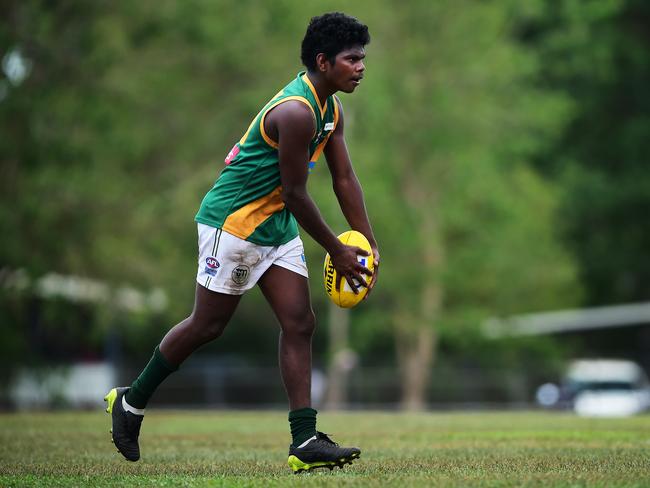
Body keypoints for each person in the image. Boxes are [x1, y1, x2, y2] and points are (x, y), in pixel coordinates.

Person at [104, 11, 379, 473]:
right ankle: (130, 402)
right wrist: (336, 248)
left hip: (277, 222)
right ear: (323, 61)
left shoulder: (331, 110)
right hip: (232, 224)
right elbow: (295, 192)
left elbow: (345, 178)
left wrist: (368, 244)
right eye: (351, 59)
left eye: (362, 58)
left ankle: (304, 440)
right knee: (208, 326)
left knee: (300, 322)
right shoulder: (295, 112)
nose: (360, 66)